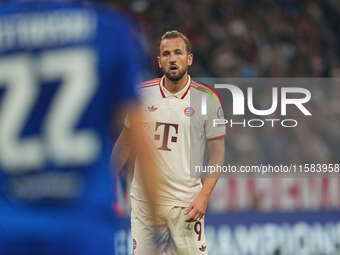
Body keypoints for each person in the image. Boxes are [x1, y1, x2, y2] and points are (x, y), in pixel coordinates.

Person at [0, 0, 159, 254]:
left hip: (7, 226)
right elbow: (140, 140)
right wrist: (157, 234)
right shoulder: (109, 30)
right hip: (83, 225)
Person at [113, 30, 225, 255]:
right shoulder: (141, 95)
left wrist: (203, 196)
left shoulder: (208, 99)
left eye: (178, 53)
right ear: (159, 61)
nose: (172, 59)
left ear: (189, 58)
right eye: (166, 54)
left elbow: (218, 155)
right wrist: (107, 184)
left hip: (186, 206)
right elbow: (123, 145)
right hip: (145, 206)